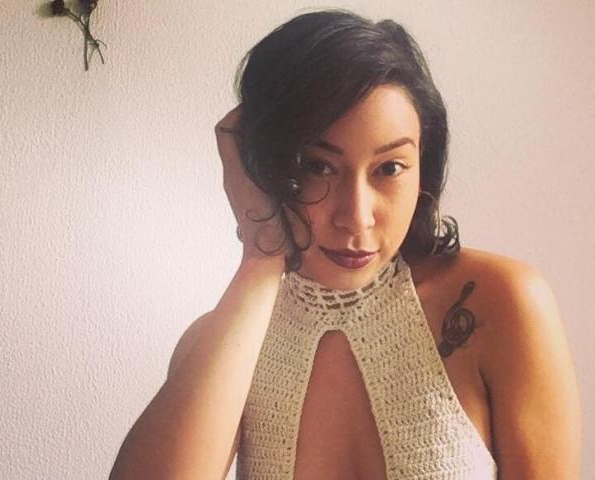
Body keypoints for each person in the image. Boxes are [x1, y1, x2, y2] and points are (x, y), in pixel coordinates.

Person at [109, 9, 581, 480]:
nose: (356, 216)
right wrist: (261, 253)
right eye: (317, 166)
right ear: (266, 166)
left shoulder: (498, 303)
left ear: (423, 167)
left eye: (390, 168)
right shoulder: (226, 340)